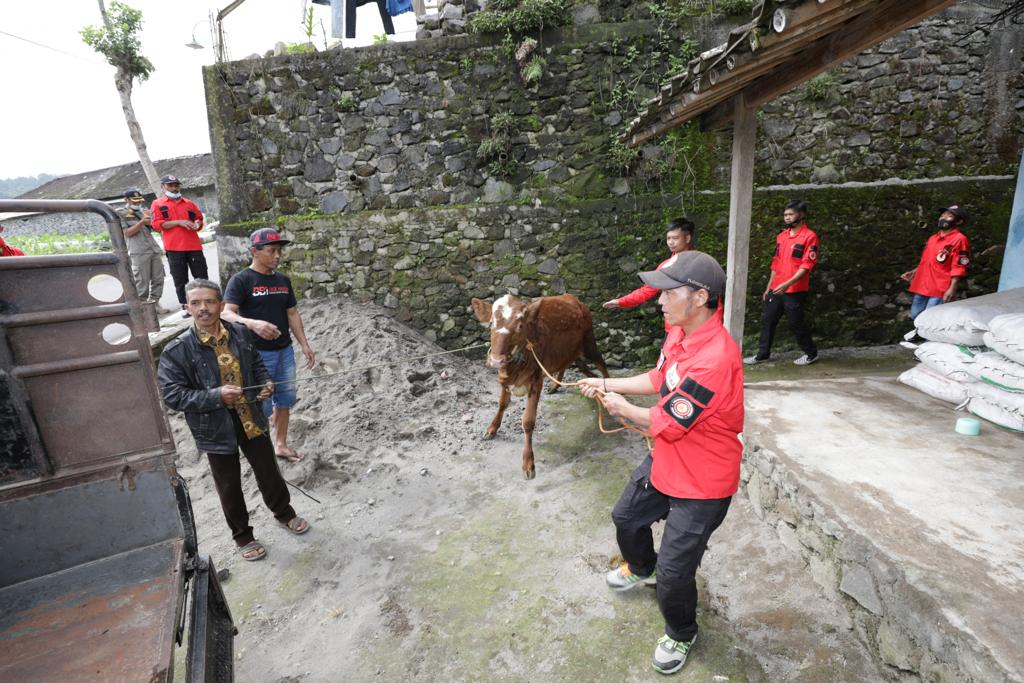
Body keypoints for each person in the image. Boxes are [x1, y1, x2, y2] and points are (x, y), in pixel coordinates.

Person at [579, 251, 743, 676]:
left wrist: (621, 407)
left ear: (700, 297)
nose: (660, 300)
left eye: (669, 292)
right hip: (667, 459)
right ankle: (642, 568)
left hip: (703, 483)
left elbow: (663, 422)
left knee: (675, 574)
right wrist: (605, 381)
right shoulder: (678, 334)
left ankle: (681, 631)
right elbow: (658, 380)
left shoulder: (715, 358)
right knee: (626, 518)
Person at [158, 279, 310, 561]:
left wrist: (265, 383)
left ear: (221, 304)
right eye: (195, 303)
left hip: (250, 415)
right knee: (228, 484)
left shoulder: (239, 333)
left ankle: (284, 513)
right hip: (214, 426)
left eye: (209, 301)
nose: (203, 308)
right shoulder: (177, 350)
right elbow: (172, 395)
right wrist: (216, 396)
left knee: (268, 470)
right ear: (187, 308)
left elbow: (257, 364)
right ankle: (243, 536)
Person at [222, 228, 315, 463]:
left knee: (285, 399)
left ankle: (281, 444)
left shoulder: (283, 280)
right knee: (260, 402)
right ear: (255, 251)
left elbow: (292, 313)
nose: (277, 256)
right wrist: (252, 323)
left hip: (285, 351)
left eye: (279, 251)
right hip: (257, 355)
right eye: (272, 251)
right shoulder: (241, 280)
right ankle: (261, 451)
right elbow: (226, 313)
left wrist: (304, 344)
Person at [744, 200, 820, 367]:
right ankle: (763, 354)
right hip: (776, 288)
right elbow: (776, 263)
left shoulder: (810, 237)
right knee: (768, 320)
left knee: (796, 322)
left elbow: (806, 266)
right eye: (785, 215)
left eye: (790, 214)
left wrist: (787, 284)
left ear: (802, 215)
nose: (787, 217)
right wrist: (768, 287)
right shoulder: (782, 237)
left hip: (795, 289)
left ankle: (811, 353)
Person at [603, 218, 696, 311]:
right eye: (668, 238)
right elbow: (647, 290)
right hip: (675, 314)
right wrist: (620, 301)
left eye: (675, 238)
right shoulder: (666, 265)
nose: (670, 242)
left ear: (687, 238)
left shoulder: (699, 262)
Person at [150, 174, 208, 315]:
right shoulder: (157, 204)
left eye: (176, 185)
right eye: (170, 185)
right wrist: (178, 222)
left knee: (201, 277)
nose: (174, 188)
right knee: (180, 280)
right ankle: (188, 308)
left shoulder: (189, 203)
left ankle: (207, 303)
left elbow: (199, 219)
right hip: (174, 248)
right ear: (163, 187)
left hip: (194, 246)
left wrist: (197, 224)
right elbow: (156, 224)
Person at [901, 204, 970, 320]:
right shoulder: (933, 238)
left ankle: (927, 333)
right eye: (942, 215)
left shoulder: (960, 239)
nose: (943, 218)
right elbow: (928, 260)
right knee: (915, 315)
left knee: (930, 318)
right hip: (923, 284)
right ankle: (919, 331)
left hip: (940, 286)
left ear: (959, 221)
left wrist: (952, 287)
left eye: (949, 216)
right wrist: (914, 271)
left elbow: (959, 266)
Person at [117, 188, 164, 305]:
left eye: (139, 199)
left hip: (153, 249)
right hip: (139, 251)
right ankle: (142, 308)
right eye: (134, 200)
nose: (137, 202)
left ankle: (155, 304)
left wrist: (153, 219)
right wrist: (142, 222)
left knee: (158, 279)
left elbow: (157, 229)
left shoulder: (143, 211)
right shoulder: (121, 213)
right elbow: (127, 233)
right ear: (126, 200)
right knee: (142, 282)